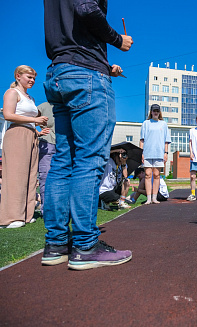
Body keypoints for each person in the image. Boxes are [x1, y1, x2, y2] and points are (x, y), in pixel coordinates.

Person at [42, 0, 134, 270]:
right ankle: (85, 245)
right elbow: (86, 8)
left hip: (59, 71)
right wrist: (117, 40)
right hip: (85, 72)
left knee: (63, 161)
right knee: (89, 160)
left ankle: (56, 244)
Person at [0, 65, 49, 229]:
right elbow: (8, 115)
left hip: (31, 135)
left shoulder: (31, 99)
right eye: (29, 77)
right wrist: (36, 121)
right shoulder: (12, 93)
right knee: (16, 175)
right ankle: (11, 217)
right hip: (16, 135)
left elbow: (26, 118)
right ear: (17, 76)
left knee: (30, 176)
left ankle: (26, 215)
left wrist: (37, 131)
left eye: (34, 78)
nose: (32, 80)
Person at [140, 104, 171, 205]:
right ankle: (149, 199)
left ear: (159, 112)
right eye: (154, 111)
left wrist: (166, 153)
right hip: (147, 152)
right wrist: (141, 153)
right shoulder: (146, 123)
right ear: (151, 112)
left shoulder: (163, 124)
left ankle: (154, 198)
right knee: (148, 175)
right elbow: (142, 140)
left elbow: (166, 140)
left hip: (159, 153)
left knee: (157, 175)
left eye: (157, 111)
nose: (156, 112)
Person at [37, 102, 55, 215]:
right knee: (46, 178)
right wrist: (38, 132)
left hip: (65, 147)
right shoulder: (44, 106)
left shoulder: (68, 106)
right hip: (47, 144)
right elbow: (27, 120)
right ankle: (47, 211)